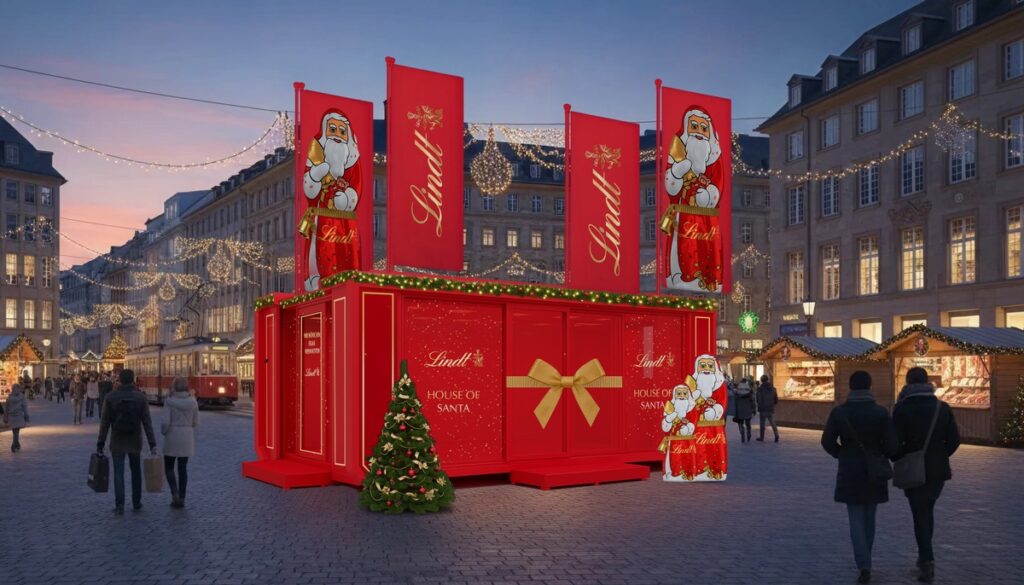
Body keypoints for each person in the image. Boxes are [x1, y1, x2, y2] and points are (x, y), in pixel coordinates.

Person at [821, 371, 898, 584]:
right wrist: (882, 453)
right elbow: (891, 445)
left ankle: (863, 563)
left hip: (850, 468)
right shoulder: (880, 413)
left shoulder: (840, 412)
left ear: (850, 386)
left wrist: (841, 453)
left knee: (855, 517)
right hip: (874, 469)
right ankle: (866, 559)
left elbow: (827, 441)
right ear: (870, 386)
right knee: (870, 516)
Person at [893, 367, 960, 583]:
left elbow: (894, 442)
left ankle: (926, 560)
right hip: (938, 470)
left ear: (908, 383)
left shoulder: (902, 408)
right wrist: (939, 455)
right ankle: (924, 557)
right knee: (927, 510)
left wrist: (901, 457)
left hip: (913, 469)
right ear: (927, 382)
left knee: (920, 514)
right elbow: (954, 440)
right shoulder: (942, 408)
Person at [97, 369, 157, 514]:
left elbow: (104, 423)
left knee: (118, 472)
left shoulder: (111, 397)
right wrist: (152, 443)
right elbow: (147, 422)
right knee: (136, 471)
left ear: (119, 380)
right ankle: (136, 502)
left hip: (117, 439)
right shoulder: (140, 397)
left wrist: (100, 443)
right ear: (133, 380)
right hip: (135, 439)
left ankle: (120, 505)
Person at [162, 377, 198, 508]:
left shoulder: (169, 401)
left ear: (174, 387)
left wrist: (164, 432)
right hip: (186, 438)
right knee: (183, 468)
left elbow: (165, 423)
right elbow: (195, 422)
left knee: (169, 468)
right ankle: (182, 498)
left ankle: (175, 494)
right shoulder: (193, 402)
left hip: (172, 437)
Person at [3, 384, 30, 452]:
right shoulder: (22, 397)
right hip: (18, 415)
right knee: (17, 431)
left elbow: (6, 408)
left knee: (14, 431)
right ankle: (14, 444)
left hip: (11, 416)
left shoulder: (9, 397)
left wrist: (5, 417)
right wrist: (26, 416)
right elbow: (24, 407)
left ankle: (16, 444)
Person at [756, 374, 780, 442]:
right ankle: (776, 435)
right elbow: (776, 400)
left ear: (761, 380)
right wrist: (772, 404)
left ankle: (762, 437)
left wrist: (759, 405)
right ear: (767, 380)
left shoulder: (760, 389)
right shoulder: (773, 389)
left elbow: (758, 399)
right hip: (770, 408)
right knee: (773, 423)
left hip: (763, 408)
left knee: (762, 424)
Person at [732, 378, 756, 443]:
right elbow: (753, 402)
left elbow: (735, 402)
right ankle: (749, 434)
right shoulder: (750, 392)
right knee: (748, 424)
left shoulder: (737, 392)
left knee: (740, 424)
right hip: (748, 410)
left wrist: (734, 411)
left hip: (740, 410)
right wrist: (754, 410)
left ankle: (742, 435)